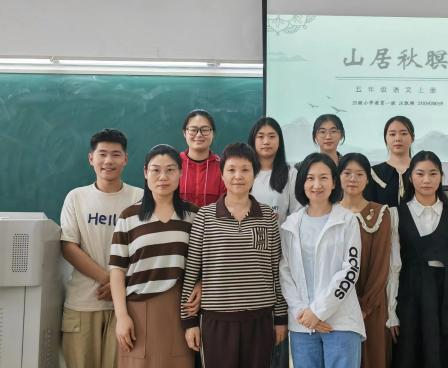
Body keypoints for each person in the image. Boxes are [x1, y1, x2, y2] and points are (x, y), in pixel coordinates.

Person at [181, 143, 288, 368]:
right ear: (222, 175)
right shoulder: (204, 217)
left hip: (260, 319)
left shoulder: (268, 217)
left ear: (254, 174)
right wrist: (189, 321)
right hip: (216, 320)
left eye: (245, 169)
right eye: (231, 170)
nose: (238, 176)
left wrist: (280, 318)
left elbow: (276, 271)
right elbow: (191, 272)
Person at [387, 151, 448, 368]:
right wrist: (392, 313)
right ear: (411, 177)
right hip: (410, 294)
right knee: (410, 355)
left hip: (446, 293)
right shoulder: (395, 214)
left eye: (433, 173)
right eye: (420, 174)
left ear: (441, 177)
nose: (426, 180)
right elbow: (393, 268)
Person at [60, 129, 143, 368]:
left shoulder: (140, 198)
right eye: (102, 154)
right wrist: (110, 281)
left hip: (127, 307)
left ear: (125, 159)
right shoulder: (76, 197)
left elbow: (145, 251)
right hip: (82, 303)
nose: (108, 161)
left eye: (115, 154)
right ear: (91, 158)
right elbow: (68, 246)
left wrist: (120, 286)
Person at [109, 144, 198, 368]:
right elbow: (117, 270)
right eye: (156, 170)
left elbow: (205, 261)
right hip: (137, 310)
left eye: (170, 170)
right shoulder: (129, 216)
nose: (163, 177)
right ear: (145, 172)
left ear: (180, 172)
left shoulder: (193, 215)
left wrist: (201, 284)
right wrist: (121, 316)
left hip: (181, 310)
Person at [280, 152, 365, 368]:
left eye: (324, 178)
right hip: (302, 325)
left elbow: (350, 271)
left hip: (341, 322)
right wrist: (304, 313)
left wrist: (318, 312)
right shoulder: (290, 224)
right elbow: (285, 273)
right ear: (302, 183)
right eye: (310, 178)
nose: (316, 185)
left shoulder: (347, 220)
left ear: (334, 183)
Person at [248, 116, 302, 368]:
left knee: (278, 325)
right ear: (253, 140)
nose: (266, 141)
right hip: (247, 258)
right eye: (260, 136)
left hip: (280, 257)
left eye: (272, 136)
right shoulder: (244, 171)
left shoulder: (290, 174)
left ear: (280, 141)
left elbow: (297, 216)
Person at [338, 153, 392, 368]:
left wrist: (364, 306)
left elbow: (381, 264)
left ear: (368, 179)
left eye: (359, 174)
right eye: (347, 173)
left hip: (372, 303)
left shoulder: (380, 213)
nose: (353, 179)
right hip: (336, 303)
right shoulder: (329, 212)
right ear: (338, 176)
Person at [179, 109, 226, 207]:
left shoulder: (223, 167)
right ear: (184, 133)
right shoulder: (174, 164)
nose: (199, 135)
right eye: (193, 130)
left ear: (213, 133)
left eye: (205, 130)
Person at [366, 116, 414, 207]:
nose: (398, 138)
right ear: (385, 138)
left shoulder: (421, 171)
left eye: (403, 133)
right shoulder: (374, 173)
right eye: (392, 134)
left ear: (412, 137)